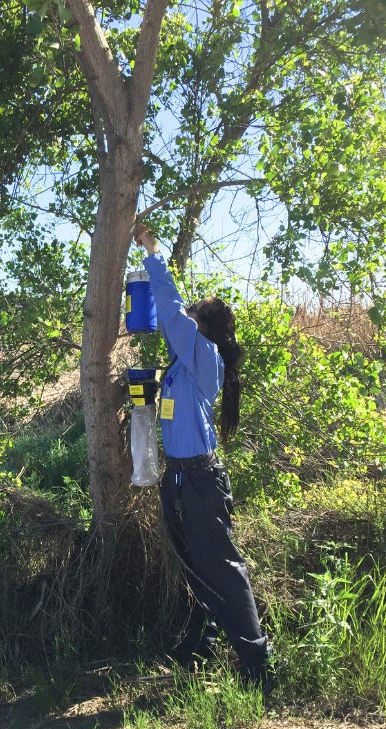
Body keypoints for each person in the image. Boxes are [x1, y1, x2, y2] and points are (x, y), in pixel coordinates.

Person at [132, 223, 274, 694]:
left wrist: (152, 252)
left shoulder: (204, 355)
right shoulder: (181, 366)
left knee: (223, 567)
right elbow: (171, 326)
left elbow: (172, 313)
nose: (184, 317)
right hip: (177, 479)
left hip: (199, 480)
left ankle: (257, 661)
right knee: (193, 563)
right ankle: (203, 643)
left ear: (204, 328)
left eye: (193, 314)